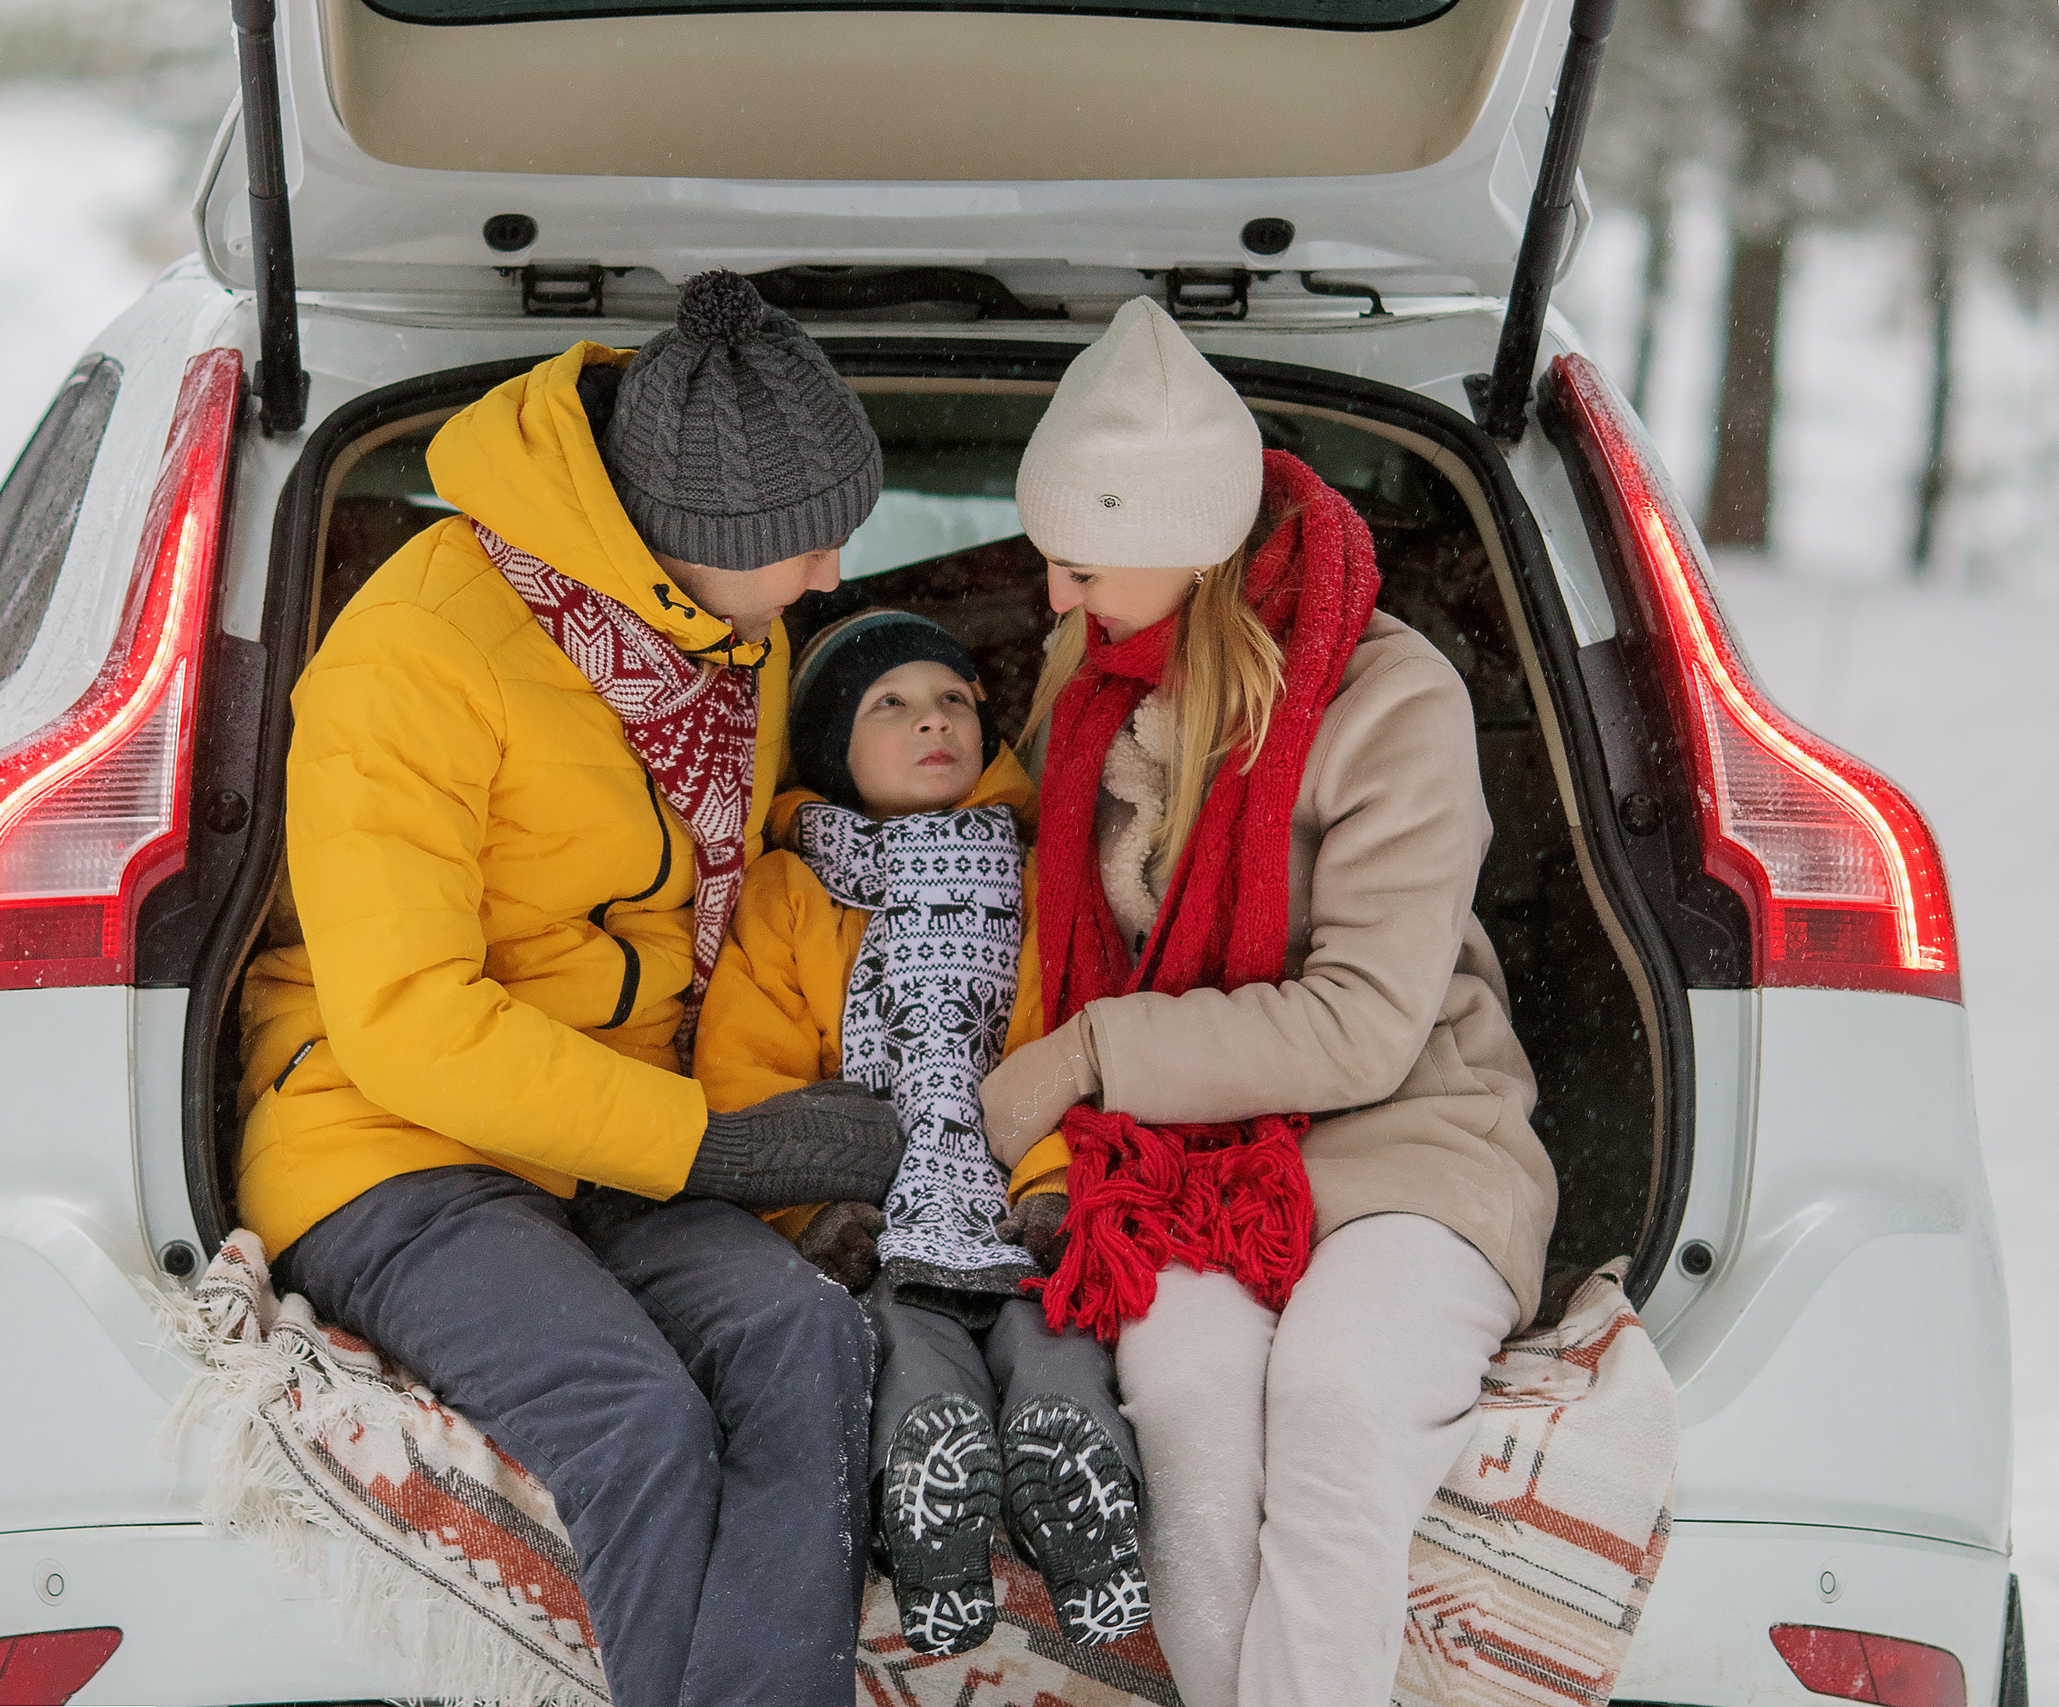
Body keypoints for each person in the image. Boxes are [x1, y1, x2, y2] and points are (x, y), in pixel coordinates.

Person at [232, 271, 905, 1707]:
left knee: (803, 1334)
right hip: (391, 1140)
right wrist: (721, 1146)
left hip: (610, 1131)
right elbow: (407, 1017)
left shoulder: (733, 637)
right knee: (640, 1416)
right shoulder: (416, 658)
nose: (834, 580)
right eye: (801, 546)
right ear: (675, 540)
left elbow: (704, 919)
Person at [977, 296, 1557, 1707]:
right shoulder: (1091, 689)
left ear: (1182, 542)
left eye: (1077, 559)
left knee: (1338, 1405)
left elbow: (1362, 1022)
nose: (1051, 595)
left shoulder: (1387, 699)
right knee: (1183, 1400)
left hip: (1406, 1141)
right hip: (1189, 1164)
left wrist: (1095, 1051)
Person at [696, 609, 1147, 1658]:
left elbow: (1063, 1041)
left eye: (951, 699)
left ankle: (1077, 1484)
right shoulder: (788, 892)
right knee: (902, 1340)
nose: (931, 721)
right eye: (888, 706)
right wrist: (817, 1209)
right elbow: (746, 1075)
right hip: (879, 1216)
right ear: (831, 753)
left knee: (1057, 1336)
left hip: (1012, 1212)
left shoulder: (1039, 877)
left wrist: (1047, 1185)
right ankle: (928, 1499)